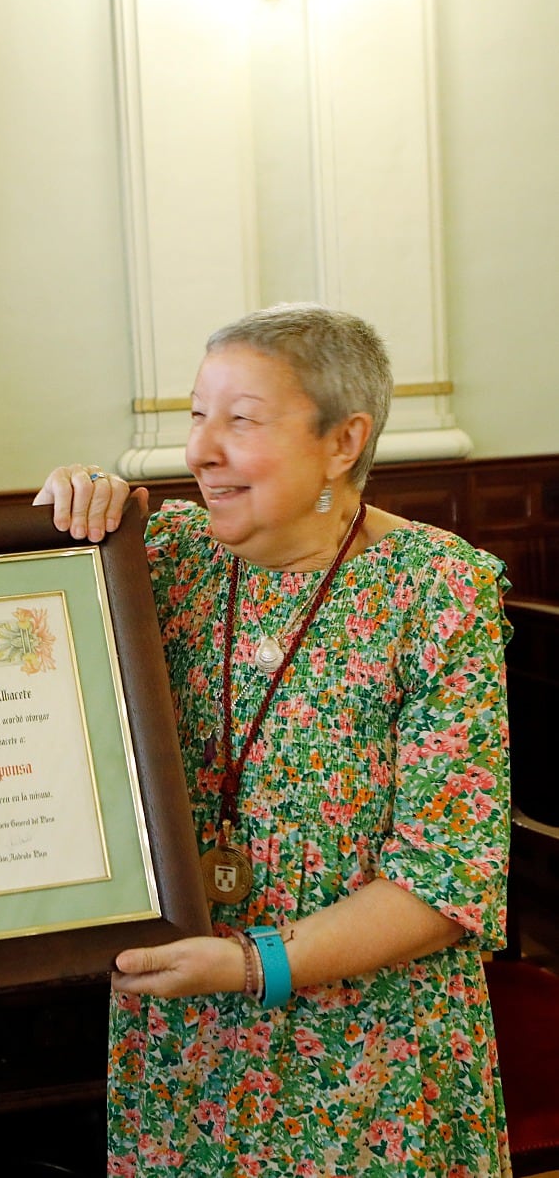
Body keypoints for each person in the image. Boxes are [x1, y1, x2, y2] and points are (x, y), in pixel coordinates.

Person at [35, 304, 511, 1175]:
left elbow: (449, 880)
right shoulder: (154, 555)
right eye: (194, 414)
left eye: (240, 419)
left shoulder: (439, 590)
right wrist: (60, 507)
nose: (199, 450)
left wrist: (250, 965)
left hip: (373, 1059)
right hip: (188, 1047)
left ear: (344, 440)